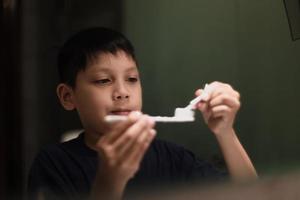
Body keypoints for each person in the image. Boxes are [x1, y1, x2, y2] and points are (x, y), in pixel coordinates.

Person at [27, 27, 257, 200]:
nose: (122, 92)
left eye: (132, 79)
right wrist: (110, 181)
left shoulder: (172, 158)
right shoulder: (54, 164)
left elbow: (252, 195)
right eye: (103, 80)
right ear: (68, 97)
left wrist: (225, 132)